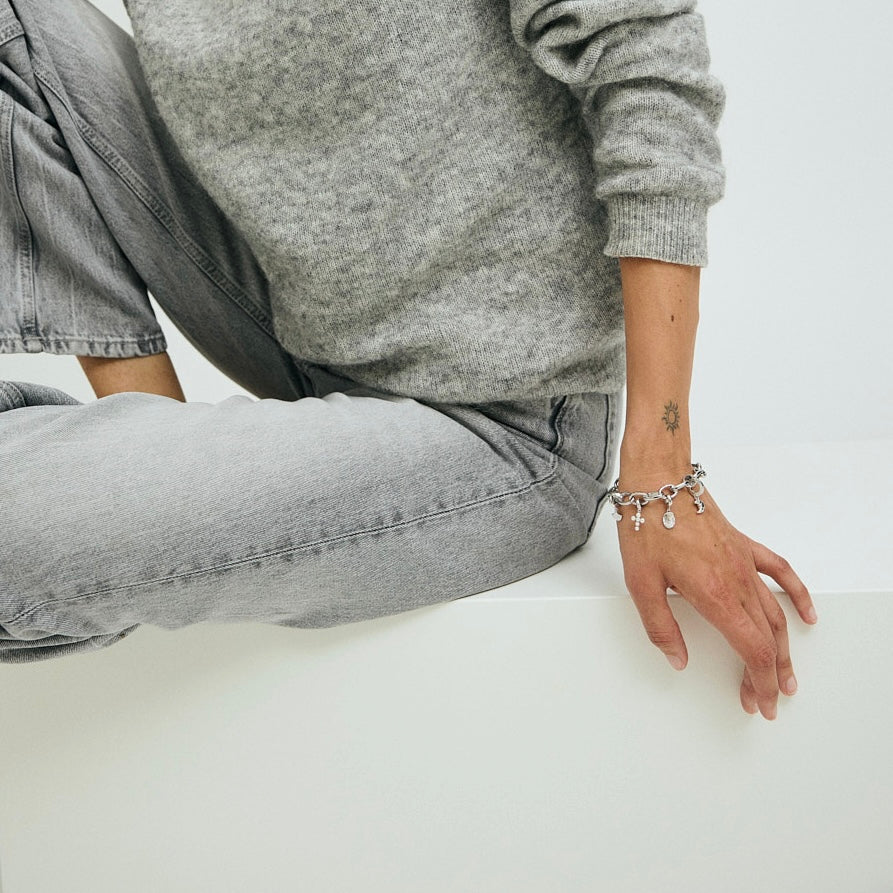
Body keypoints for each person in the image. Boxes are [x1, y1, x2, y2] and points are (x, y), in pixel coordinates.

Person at [0, 0, 815, 719]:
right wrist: (151, 474)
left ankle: (104, 504)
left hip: (505, 419)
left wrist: (659, 469)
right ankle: (140, 460)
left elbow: (644, 57)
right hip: (290, 317)